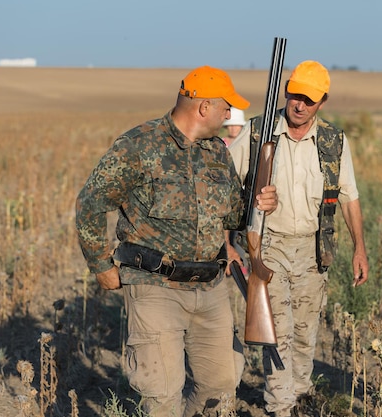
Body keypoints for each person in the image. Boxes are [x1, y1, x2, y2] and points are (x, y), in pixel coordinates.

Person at [76, 65, 278, 417]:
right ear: (203, 107)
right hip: (156, 287)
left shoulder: (216, 151)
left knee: (221, 384)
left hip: (211, 287)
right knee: (162, 393)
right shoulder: (139, 145)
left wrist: (258, 203)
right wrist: (100, 265)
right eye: (225, 106)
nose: (230, 114)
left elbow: (233, 216)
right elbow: (91, 203)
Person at [226, 60, 369, 417]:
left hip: (314, 247)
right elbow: (223, 184)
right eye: (294, 94)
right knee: (278, 332)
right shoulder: (259, 132)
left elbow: (349, 195)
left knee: (306, 331)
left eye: (309, 98)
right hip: (268, 245)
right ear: (286, 91)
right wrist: (246, 210)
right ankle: (281, 405)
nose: (299, 104)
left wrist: (359, 249)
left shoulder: (334, 141)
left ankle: (301, 391)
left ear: (323, 102)